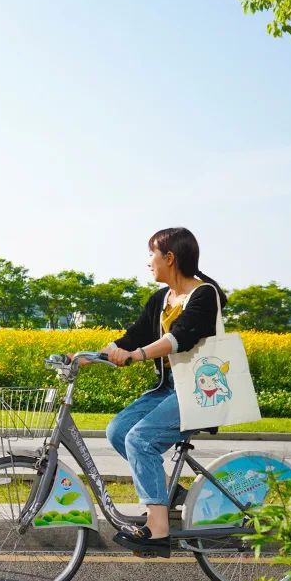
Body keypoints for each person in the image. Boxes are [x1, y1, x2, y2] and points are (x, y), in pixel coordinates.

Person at [100, 227, 227, 556]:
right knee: (118, 431)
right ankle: (170, 496)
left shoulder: (205, 294)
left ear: (169, 258)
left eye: (151, 254)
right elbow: (134, 336)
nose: (148, 262)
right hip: (169, 387)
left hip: (201, 390)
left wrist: (138, 355)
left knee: (140, 439)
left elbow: (180, 337)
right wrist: (89, 357)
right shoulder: (161, 300)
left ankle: (157, 531)